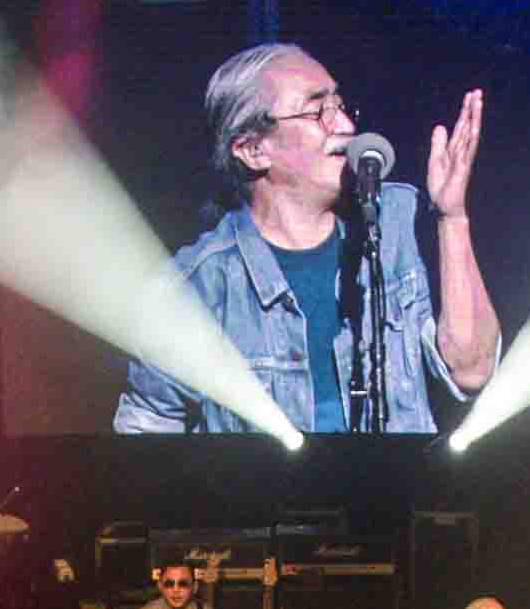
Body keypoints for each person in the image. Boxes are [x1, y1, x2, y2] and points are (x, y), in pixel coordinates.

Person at [115, 41, 501, 435]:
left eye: (340, 106)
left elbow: (472, 371)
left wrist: (452, 217)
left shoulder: (402, 222)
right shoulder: (196, 286)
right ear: (252, 149)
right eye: (319, 111)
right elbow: (146, 431)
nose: (346, 127)